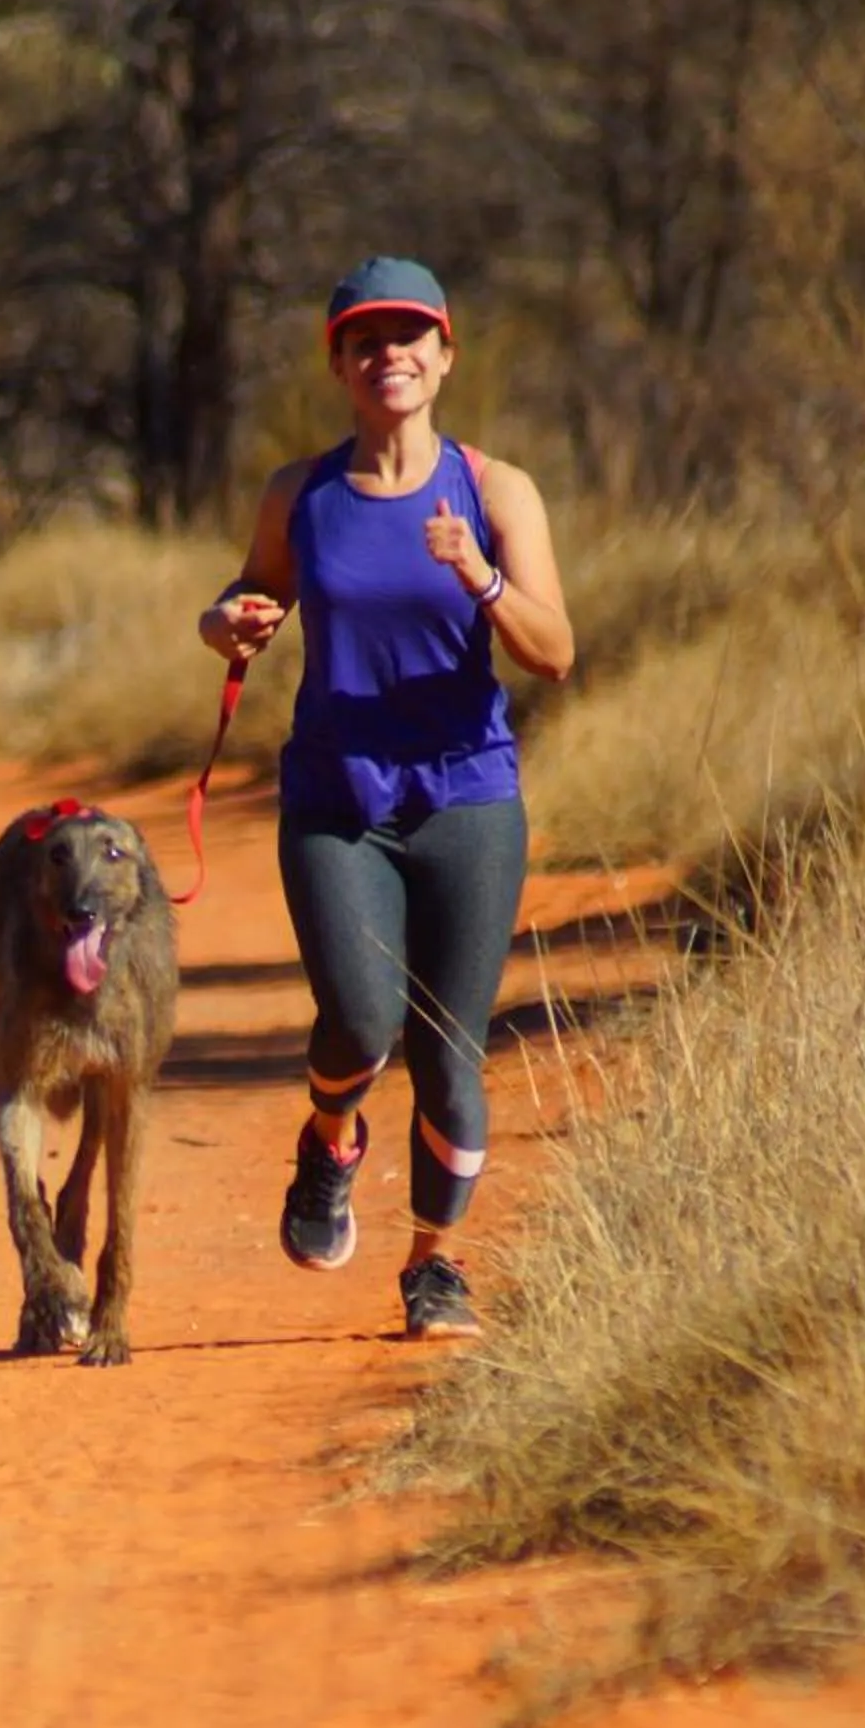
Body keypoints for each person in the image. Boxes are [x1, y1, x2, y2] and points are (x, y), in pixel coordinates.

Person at [196, 256, 574, 1341]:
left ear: (446, 355)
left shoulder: (495, 492)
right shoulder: (300, 493)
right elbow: (249, 589)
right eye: (367, 340)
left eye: (411, 336)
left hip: (467, 795)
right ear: (340, 365)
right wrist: (230, 623)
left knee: (449, 1045)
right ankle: (330, 1137)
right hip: (336, 795)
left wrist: (484, 580)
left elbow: (555, 651)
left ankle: (434, 1265)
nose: (390, 355)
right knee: (360, 1019)